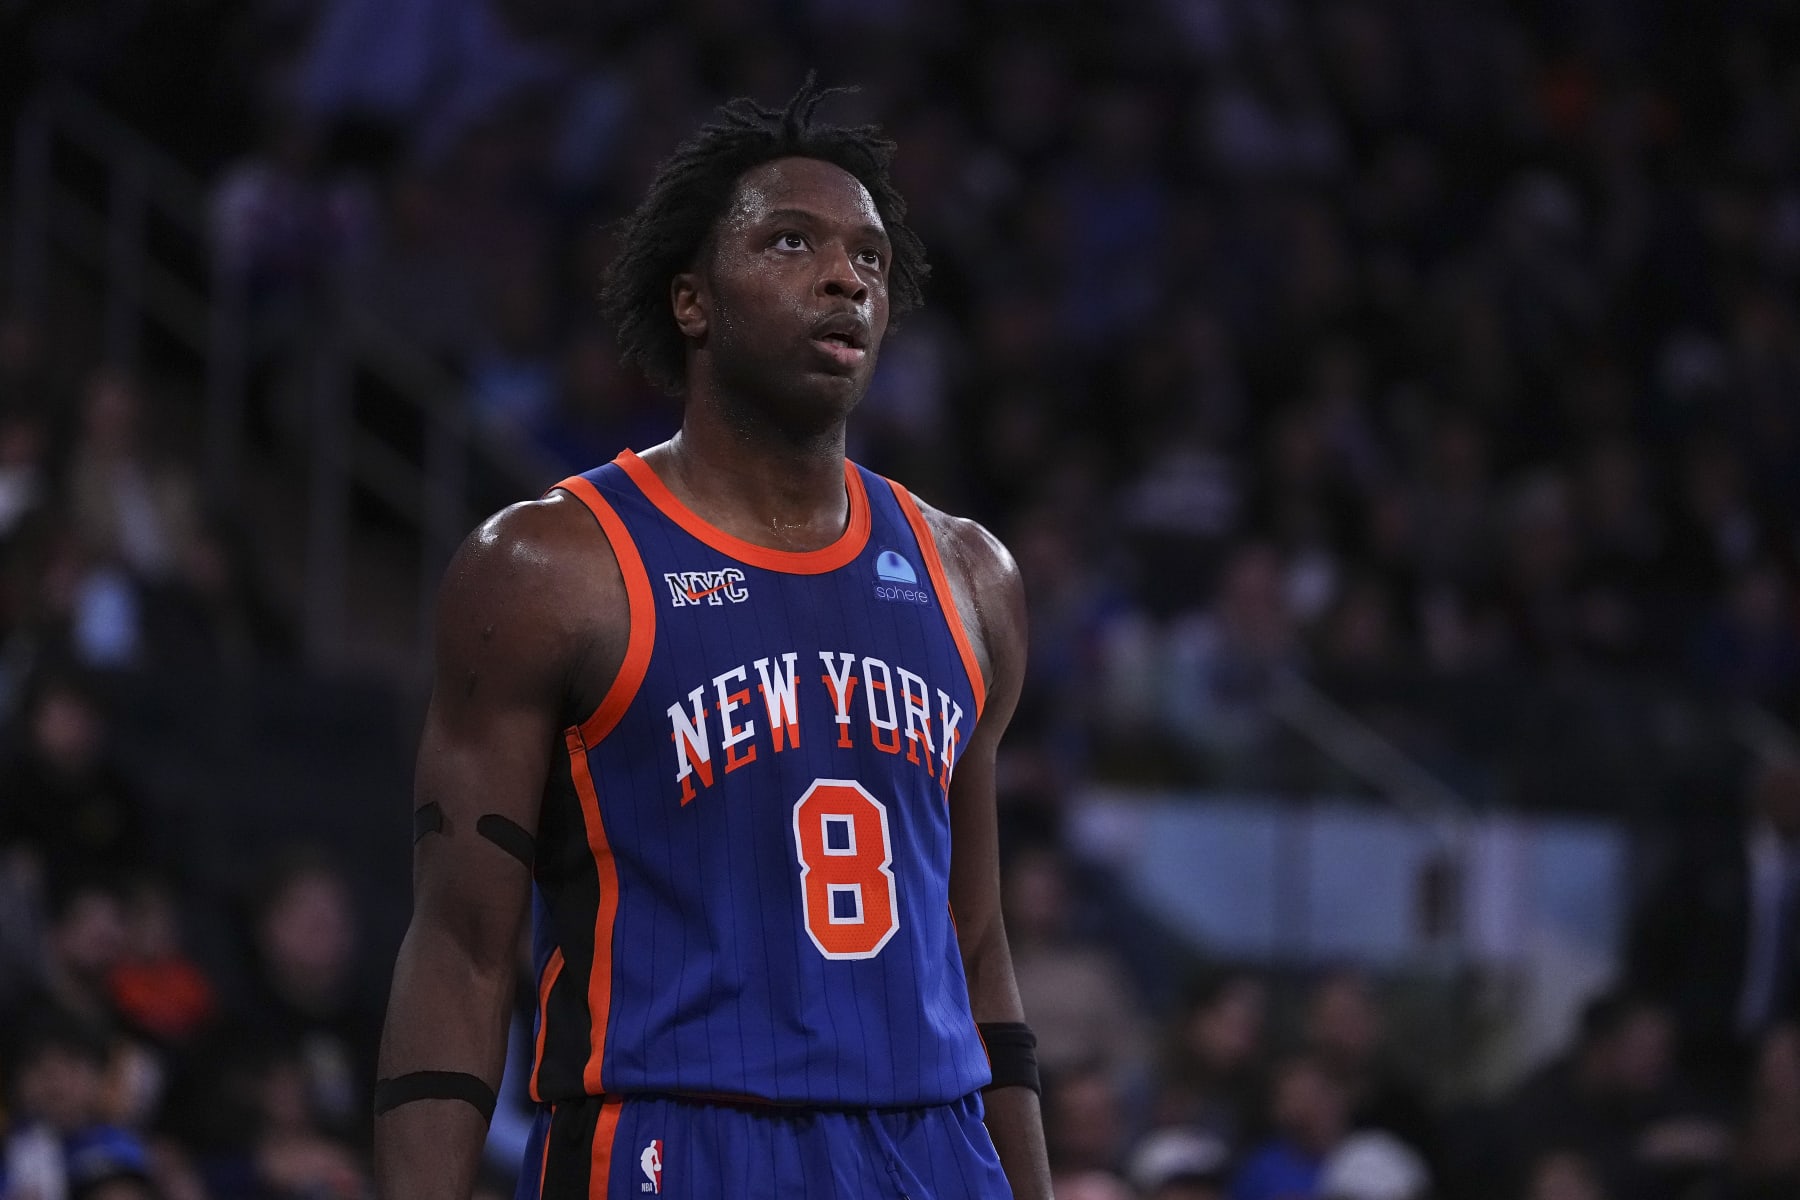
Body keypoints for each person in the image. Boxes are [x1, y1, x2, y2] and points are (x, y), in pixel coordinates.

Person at [375, 79, 1051, 1199]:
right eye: (793, 242)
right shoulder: (548, 567)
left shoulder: (971, 576)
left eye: (870, 260)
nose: (846, 279)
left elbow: (978, 945)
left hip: (932, 1143)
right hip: (676, 1138)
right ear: (693, 302)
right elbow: (460, 949)